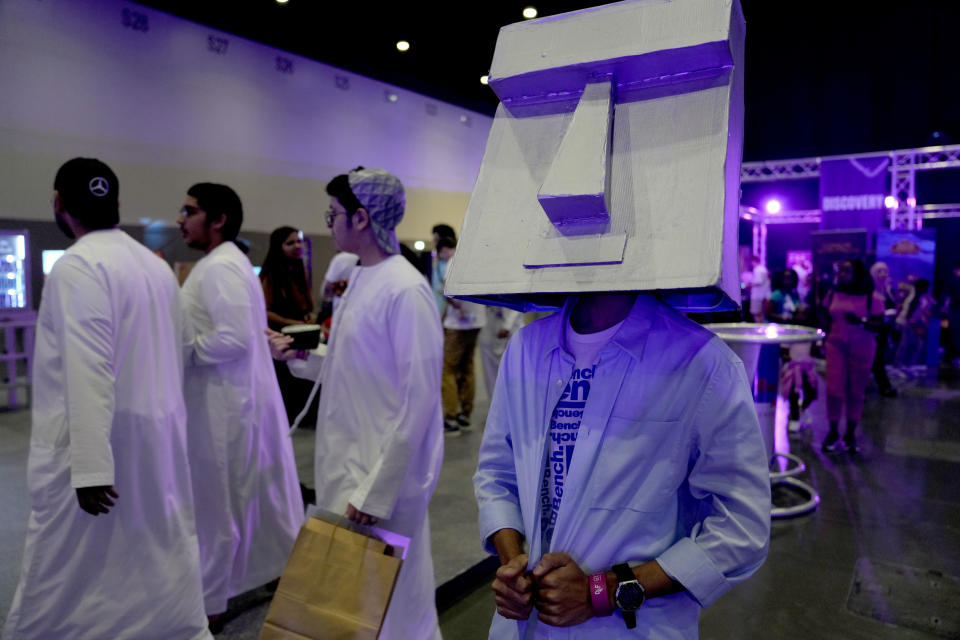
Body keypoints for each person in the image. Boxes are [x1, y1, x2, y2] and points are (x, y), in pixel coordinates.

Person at [474, 292, 771, 638]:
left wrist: (602, 591)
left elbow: (742, 528)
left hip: (631, 629)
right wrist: (513, 570)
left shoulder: (702, 361)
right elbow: (497, 473)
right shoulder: (525, 348)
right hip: (525, 625)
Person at [3, 158, 211, 640]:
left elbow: (88, 367)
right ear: (116, 203)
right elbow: (180, 352)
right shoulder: (154, 266)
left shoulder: (76, 265)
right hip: (156, 439)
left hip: (102, 449)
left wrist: (91, 467)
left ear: (58, 203)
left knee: (65, 577)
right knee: (152, 552)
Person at [270, 168, 444, 640]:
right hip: (347, 467)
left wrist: (378, 490)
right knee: (352, 601)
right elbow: (350, 368)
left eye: (334, 213)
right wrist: (300, 355)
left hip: (379, 481)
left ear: (362, 218)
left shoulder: (406, 290)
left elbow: (421, 399)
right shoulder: (361, 278)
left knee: (394, 601)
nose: (329, 222)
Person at [177, 183, 304, 630]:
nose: (180, 219)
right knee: (247, 501)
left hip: (223, 410)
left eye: (190, 211)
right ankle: (262, 579)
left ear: (219, 220)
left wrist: (181, 349)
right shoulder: (225, 265)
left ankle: (209, 604)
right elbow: (247, 331)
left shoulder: (220, 269)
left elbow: (231, 337)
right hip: (232, 402)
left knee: (218, 507)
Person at [821, 260, 877, 453]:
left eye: (847, 270)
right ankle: (833, 431)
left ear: (858, 273)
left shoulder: (871, 298)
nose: (842, 274)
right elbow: (825, 317)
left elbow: (880, 325)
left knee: (856, 391)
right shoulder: (832, 293)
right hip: (835, 345)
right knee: (834, 389)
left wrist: (861, 321)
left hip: (862, 346)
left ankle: (851, 434)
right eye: (840, 270)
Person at [438, 236, 487, 436]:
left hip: (458, 324)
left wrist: (456, 307)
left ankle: (450, 418)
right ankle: (465, 415)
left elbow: (449, 292)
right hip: (476, 322)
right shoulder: (477, 260)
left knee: (447, 370)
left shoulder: (454, 261)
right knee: (467, 368)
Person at [260, 226, 315, 330]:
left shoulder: (300, 272)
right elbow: (264, 311)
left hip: (298, 331)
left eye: (299, 241)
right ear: (278, 247)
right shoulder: (271, 276)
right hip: (278, 334)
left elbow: (307, 306)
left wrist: (309, 317)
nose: (297, 246)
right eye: (290, 243)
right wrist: (290, 322)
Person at [478, 304, 524, 400]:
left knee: (514, 372)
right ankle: (494, 403)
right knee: (490, 371)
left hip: (512, 330)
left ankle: (514, 402)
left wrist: (507, 326)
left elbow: (518, 305)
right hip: (490, 327)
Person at [868, 261, 897, 397]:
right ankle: (884, 385)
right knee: (877, 357)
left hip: (884, 328)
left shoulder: (888, 289)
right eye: (880, 271)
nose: (883, 274)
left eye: (885, 271)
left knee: (878, 357)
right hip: (873, 329)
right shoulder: (869, 291)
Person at [431, 223, 456, 312]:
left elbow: (446, 289)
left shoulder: (450, 261)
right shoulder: (436, 260)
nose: (435, 244)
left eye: (437, 240)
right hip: (436, 305)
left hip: (448, 309)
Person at [945, 261, 960, 368]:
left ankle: (954, 357)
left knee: (955, 335)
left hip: (954, 312)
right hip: (955, 312)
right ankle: (954, 358)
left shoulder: (951, 281)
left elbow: (946, 299)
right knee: (955, 336)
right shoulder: (952, 281)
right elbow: (946, 298)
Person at [748, 255, 771, 322]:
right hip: (764, 295)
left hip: (757, 296)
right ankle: (762, 330)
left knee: (756, 314)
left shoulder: (758, 270)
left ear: (753, 261)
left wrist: (749, 284)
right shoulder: (763, 268)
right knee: (762, 314)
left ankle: (758, 330)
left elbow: (758, 282)